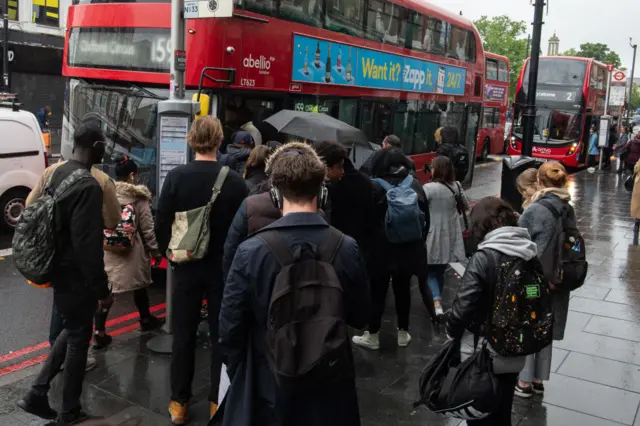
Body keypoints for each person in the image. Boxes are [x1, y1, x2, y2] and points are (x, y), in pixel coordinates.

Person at [218, 142, 370, 426]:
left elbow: (230, 332)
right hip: (331, 388)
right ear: (322, 192)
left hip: (269, 386)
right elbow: (362, 316)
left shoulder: (251, 251)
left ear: (274, 194)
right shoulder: (347, 248)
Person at [17, 123, 114, 426]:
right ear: (96, 146)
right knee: (77, 340)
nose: (106, 150)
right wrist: (101, 289)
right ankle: (68, 411)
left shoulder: (58, 172)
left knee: (71, 330)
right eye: (104, 145)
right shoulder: (88, 186)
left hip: (58, 268)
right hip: (76, 277)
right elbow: (87, 245)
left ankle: (37, 393)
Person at [155, 116, 249, 425]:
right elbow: (243, 228)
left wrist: (171, 254)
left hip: (186, 266)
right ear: (220, 140)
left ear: (191, 140)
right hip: (223, 268)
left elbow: (160, 223)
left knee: (183, 333)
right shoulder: (235, 182)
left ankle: (179, 404)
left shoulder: (176, 177)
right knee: (222, 335)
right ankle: (216, 402)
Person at [26, 128, 121, 371]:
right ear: (95, 146)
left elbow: (30, 205)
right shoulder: (100, 182)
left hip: (52, 253)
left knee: (61, 306)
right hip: (81, 262)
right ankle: (64, 376)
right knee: (79, 319)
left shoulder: (52, 171)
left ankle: (53, 356)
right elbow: (112, 221)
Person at [446, 197, 533, 426]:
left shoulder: (483, 257)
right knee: (503, 408)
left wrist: (450, 331)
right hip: (517, 347)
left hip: (485, 352)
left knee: (480, 411)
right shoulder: (527, 251)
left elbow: (462, 309)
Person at [352, 147, 430, 350]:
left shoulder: (372, 186)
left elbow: (363, 221)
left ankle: (373, 335)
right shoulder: (413, 184)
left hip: (379, 251)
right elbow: (425, 219)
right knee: (403, 290)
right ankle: (403, 333)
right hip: (406, 249)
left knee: (377, 292)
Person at [93, 154, 165, 350]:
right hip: (132, 251)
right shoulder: (139, 198)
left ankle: (99, 332)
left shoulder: (105, 193)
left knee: (107, 292)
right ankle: (145, 319)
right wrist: (156, 254)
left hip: (108, 250)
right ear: (133, 175)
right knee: (139, 286)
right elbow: (148, 230)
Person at [516, 161, 572, 398]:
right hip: (558, 280)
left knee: (529, 323)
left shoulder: (535, 209)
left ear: (539, 181)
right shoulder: (568, 207)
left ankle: (524, 381)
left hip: (534, 280)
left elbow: (518, 240)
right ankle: (539, 379)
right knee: (547, 327)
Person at [422, 156, 468, 316]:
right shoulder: (456, 186)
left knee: (430, 271)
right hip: (450, 236)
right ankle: (438, 299)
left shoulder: (428, 188)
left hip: (432, 234)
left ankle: (436, 301)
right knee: (440, 271)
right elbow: (466, 205)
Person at [315, 141, 375, 259]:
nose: (343, 171)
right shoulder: (318, 192)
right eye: (339, 167)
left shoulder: (325, 190)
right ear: (325, 167)